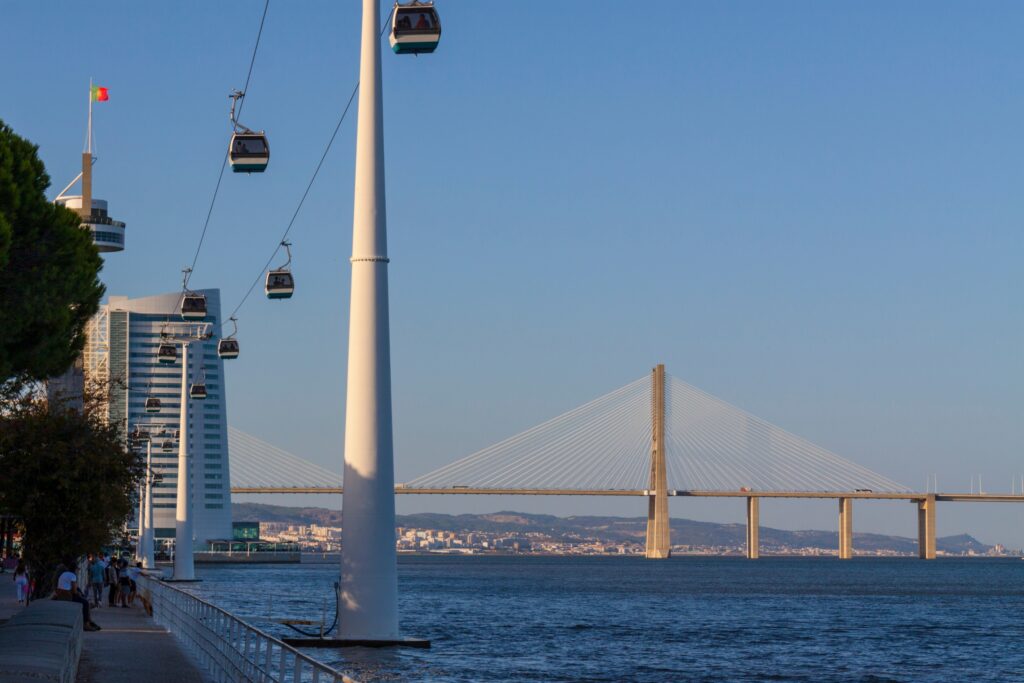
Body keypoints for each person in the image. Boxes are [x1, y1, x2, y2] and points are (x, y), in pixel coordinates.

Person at [56, 561, 100, 631]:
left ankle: (89, 620)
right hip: (68, 596)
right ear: (75, 569)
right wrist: (79, 594)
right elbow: (74, 591)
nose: (78, 571)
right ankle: (86, 623)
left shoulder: (63, 574)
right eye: (77, 569)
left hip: (60, 595)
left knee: (84, 599)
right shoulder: (73, 575)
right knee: (85, 603)